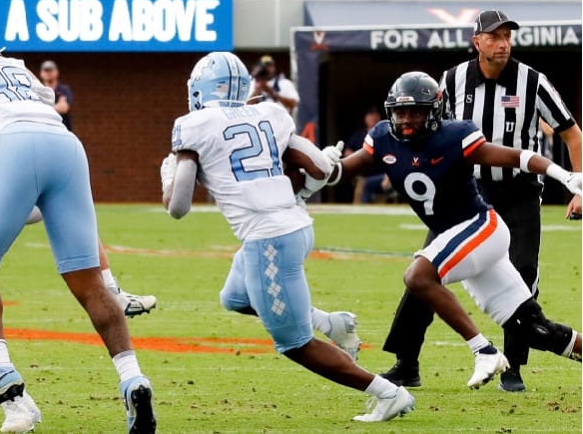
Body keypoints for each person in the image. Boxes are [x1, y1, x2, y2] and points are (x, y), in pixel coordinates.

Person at [0, 12, 156, 433]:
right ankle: (132, 376)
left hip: (1, 155)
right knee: (89, 283)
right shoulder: (18, 68)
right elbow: (40, 106)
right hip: (65, 146)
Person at [161, 51, 415, 423]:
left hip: (268, 240)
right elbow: (323, 169)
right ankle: (332, 323)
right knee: (235, 297)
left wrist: (169, 172)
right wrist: (297, 188)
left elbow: (178, 206)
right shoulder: (270, 112)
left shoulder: (193, 125)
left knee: (295, 343)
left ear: (199, 89)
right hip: (295, 225)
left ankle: (388, 393)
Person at [329, 71, 582, 390]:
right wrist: (324, 165)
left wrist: (563, 174)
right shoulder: (382, 139)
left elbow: (516, 156)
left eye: (416, 112)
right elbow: (342, 171)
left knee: (418, 276)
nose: (406, 120)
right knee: (535, 329)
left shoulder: (454, 136)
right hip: (456, 236)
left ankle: (484, 350)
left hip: (481, 228)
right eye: (401, 111)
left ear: (433, 112)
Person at [380, 10, 582, 393]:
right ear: (477, 42)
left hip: (520, 192)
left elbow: (572, 132)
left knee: (522, 273)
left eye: (507, 36)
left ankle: (513, 367)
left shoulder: (532, 81)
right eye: (494, 36)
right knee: (425, 273)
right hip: (465, 195)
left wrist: (577, 188)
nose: (502, 43)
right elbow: (433, 130)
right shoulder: (452, 80)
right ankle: (406, 362)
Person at [39, 60, 74, 131]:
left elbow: (63, 108)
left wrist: (42, 109)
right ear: (41, 73)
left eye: (51, 70)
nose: (48, 73)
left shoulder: (63, 89)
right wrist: (56, 107)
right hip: (43, 129)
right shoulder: (38, 90)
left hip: (63, 129)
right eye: (46, 70)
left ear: (56, 72)